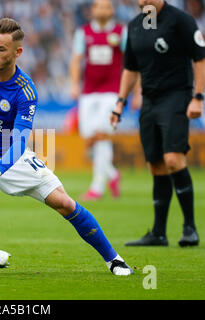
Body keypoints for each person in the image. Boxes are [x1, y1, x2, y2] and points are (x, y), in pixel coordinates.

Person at [0, 18, 133, 276]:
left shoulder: (25, 91)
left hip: (11, 158)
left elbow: (20, 140)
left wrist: (0, 167)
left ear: (17, 52)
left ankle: (114, 259)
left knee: (64, 203)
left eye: (0, 49)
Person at [111, 0, 205, 246]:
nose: (142, 1)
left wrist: (198, 97)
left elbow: (202, 58)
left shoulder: (180, 20)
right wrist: (120, 103)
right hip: (149, 101)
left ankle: (190, 228)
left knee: (173, 159)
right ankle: (158, 233)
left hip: (177, 96)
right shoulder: (134, 25)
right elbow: (131, 69)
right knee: (156, 164)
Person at [69, 0, 126, 201]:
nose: (103, 10)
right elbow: (76, 59)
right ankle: (112, 173)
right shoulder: (83, 33)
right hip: (89, 91)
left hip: (112, 91)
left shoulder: (121, 32)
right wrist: (74, 84)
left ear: (112, 11)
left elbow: (132, 60)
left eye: (107, 7)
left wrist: (137, 89)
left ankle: (97, 188)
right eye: (99, 6)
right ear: (92, 10)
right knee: (89, 137)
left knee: (102, 135)